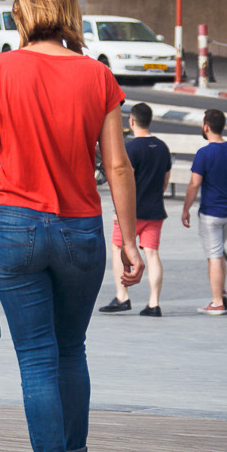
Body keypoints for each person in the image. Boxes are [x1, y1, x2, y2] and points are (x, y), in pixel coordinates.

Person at [0, 0, 144, 452]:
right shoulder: (97, 77)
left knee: (37, 356)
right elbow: (119, 168)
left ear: (21, 7)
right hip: (81, 231)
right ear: (68, 7)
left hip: (15, 226)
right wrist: (128, 241)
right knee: (71, 349)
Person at [98, 103, 172, 317]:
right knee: (152, 254)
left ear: (131, 121)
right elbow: (165, 179)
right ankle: (154, 303)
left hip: (130, 212)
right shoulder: (162, 147)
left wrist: (118, 210)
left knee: (118, 247)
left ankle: (122, 296)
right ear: (150, 121)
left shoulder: (129, 148)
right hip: (156, 210)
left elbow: (122, 181)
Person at [180, 108, 227, 315]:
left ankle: (217, 302)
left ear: (206, 126)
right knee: (218, 252)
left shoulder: (204, 153)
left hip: (212, 213)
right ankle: (221, 292)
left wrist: (185, 209)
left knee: (214, 255)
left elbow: (194, 184)